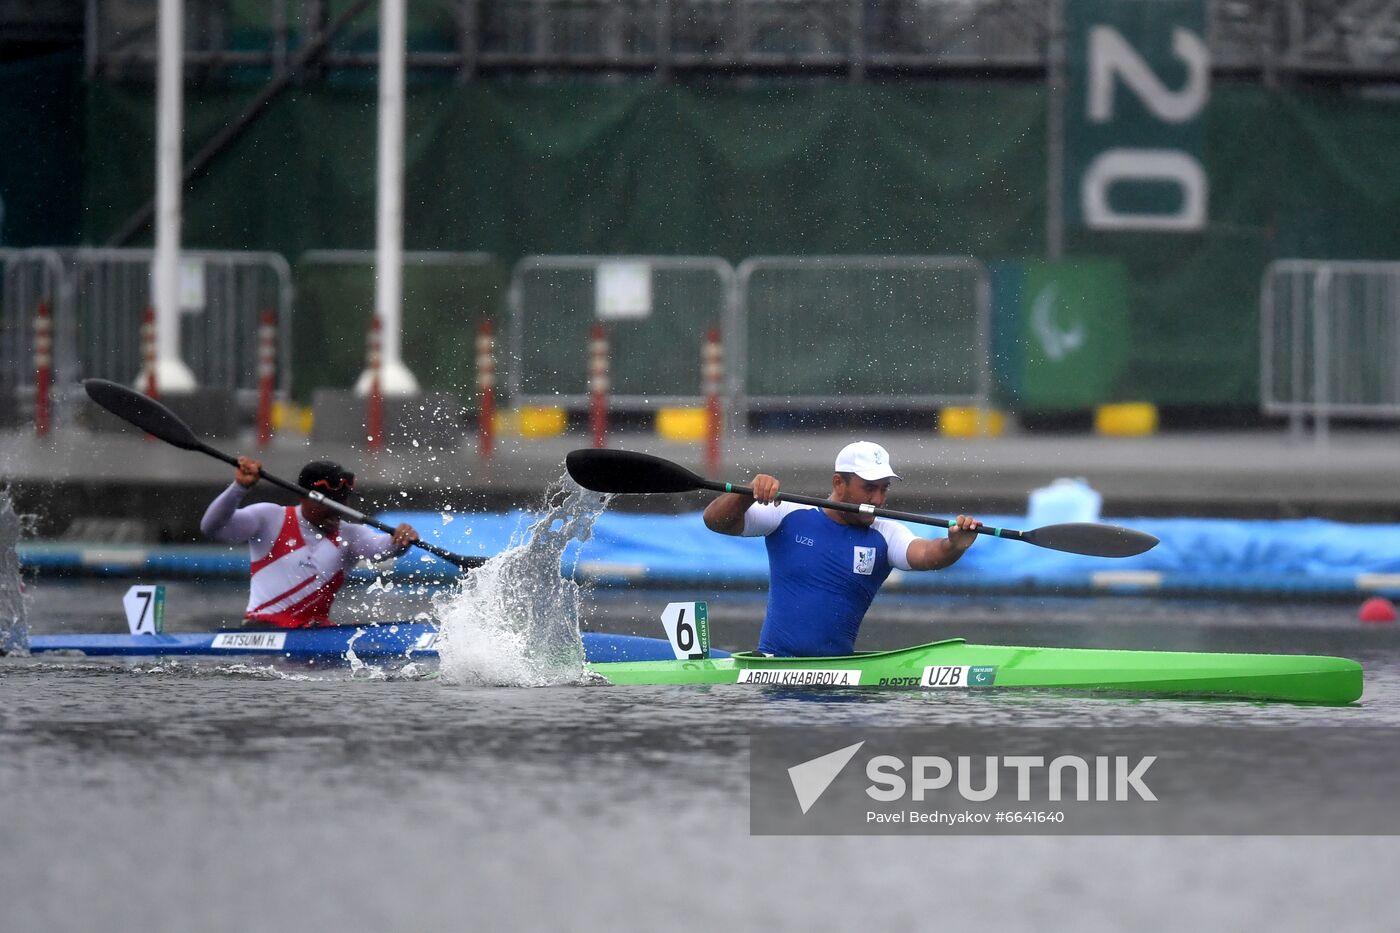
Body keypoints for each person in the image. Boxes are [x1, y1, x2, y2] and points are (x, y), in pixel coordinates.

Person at [702, 441, 981, 657]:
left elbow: (927, 554)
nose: (878, 499)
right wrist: (747, 493)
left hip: (839, 681)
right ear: (838, 483)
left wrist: (953, 545)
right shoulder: (787, 514)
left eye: (884, 489)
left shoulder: (886, 533)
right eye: (869, 488)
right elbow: (715, 522)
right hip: (772, 669)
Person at [201, 457, 419, 628]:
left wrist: (399, 541)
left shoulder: (351, 535)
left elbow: (381, 549)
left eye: (343, 501)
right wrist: (239, 487)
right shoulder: (270, 518)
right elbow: (212, 528)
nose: (337, 510)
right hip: (262, 629)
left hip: (314, 633)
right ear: (305, 497)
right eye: (330, 503)